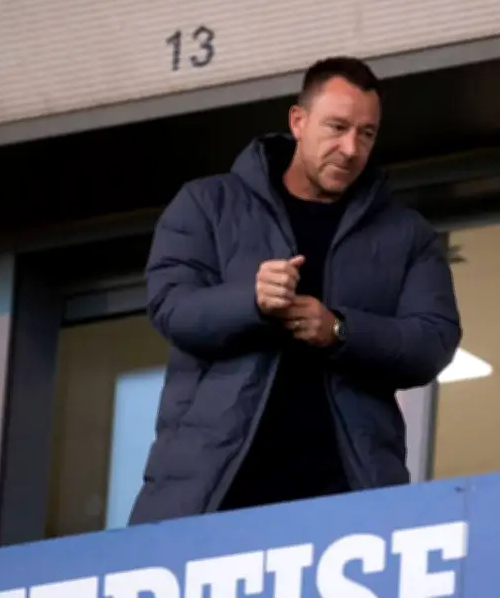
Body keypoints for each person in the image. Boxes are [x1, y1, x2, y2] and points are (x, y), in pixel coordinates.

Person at [128, 56, 461, 525]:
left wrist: (338, 330)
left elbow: (434, 342)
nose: (351, 149)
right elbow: (170, 306)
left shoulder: (406, 234)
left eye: (366, 134)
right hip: (212, 492)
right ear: (298, 121)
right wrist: (251, 301)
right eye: (337, 127)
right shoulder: (208, 203)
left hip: (346, 495)